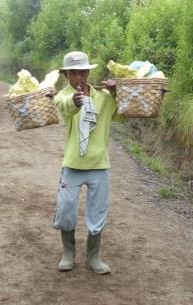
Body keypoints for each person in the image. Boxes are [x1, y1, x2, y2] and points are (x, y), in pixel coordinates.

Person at [52, 51, 117, 274]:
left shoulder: (104, 97)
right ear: (66, 75)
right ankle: (68, 252)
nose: (78, 77)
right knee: (66, 209)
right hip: (73, 164)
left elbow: (125, 111)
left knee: (98, 211)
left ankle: (93, 256)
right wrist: (75, 101)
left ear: (88, 72)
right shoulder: (63, 96)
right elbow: (65, 106)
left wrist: (119, 92)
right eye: (73, 73)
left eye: (82, 72)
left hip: (99, 163)